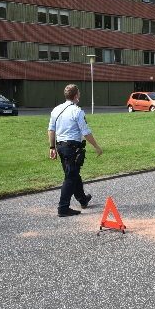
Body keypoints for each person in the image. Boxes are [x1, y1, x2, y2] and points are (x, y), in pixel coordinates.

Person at [47, 84, 103, 217]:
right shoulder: (77, 111)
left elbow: (51, 129)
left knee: (73, 173)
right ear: (76, 95)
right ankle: (63, 208)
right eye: (79, 93)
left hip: (60, 146)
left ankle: (83, 199)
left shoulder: (56, 109)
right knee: (70, 177)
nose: (80, 95)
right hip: (72, 148)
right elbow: (86, 132)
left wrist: (52, 147)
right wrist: (97, 147)